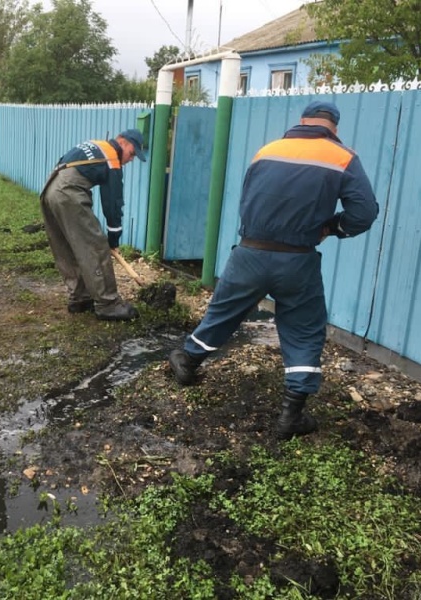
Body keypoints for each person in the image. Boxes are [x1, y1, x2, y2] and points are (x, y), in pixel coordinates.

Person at [168, 100, 379, 439]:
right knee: (304, 328)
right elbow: (364, 213)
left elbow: (250, 198)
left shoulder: (266, 150)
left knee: (223, 313)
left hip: (250, 252)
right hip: (297, 259)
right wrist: (334, 226)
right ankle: (290, 416)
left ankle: (187, 361)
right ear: (333, 127)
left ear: (302, 121)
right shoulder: (342, 157)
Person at [40, 129, 147, 321]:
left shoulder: (96, 145)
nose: (131, 159)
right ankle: (108, 304)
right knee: (95, 246)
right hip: (68, 192)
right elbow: (113, 203)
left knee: (67, 247)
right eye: (132, 153)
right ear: (122, 142)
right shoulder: (112, 159)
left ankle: (80, 298)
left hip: (51, 188)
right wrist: (113, 237)